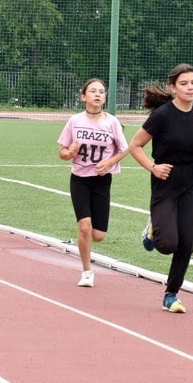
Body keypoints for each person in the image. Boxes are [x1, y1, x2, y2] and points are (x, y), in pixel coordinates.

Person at [127, 63, 193, 313]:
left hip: (192, 182)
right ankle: (153, 232)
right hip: (165, 180)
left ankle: (171, 293)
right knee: (168, 244)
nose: (190, 88)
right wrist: (153, 167)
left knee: (188, 241)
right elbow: (135, 146)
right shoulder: (162, 115)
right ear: (173, 88)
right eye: (184, 84)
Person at [57, 78, 128, 287]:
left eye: (102, 92)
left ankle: (90, 251)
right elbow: (61, 152)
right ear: (83, 97)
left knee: (98, 235)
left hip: (102, 180)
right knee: (84, 227)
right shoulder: (74, 121)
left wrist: (110, 162)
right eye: (93, 91)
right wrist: (69, 152)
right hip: (79, 179)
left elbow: (125, 149)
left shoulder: (112, 122)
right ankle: (87, 272)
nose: (98, 95)